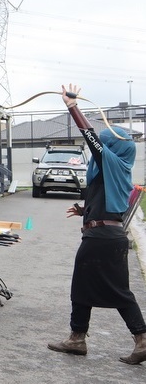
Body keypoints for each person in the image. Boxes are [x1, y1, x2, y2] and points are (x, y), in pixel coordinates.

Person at [48, 84, 146, 365]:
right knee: (105, 288)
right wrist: (84, 211)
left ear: (114, 146)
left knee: (93, 288)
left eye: (107, 143)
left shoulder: (111, 162)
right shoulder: (119, 170)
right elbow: (112, 204)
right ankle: (86, 338)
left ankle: (80, 339)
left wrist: (72, 107)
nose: (99, 149)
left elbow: (93, 139)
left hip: (101, 238)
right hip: (108, 234)